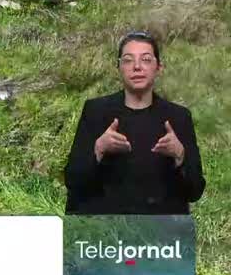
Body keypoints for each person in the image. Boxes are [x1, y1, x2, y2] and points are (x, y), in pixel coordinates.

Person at [64, 31, 205, 214]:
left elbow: (195, 191)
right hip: (105, 233)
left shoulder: (178, 117)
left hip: (159, 233)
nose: (137, 67)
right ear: (119, 67)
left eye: (146, 59)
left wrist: (180, 156)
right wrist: (98, 148)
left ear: (158, 67)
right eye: (128, 60)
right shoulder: (96, 112)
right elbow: (73, 181)